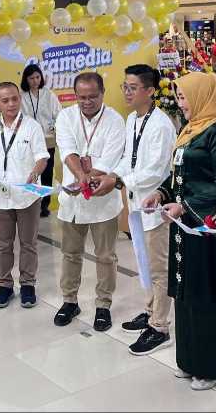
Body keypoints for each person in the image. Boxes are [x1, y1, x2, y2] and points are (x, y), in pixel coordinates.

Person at [142, 71, 216, 391]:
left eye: (184, 96)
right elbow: (180, 177)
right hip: (184, 227)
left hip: (208, 227)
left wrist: (185, 207)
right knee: (184, 291)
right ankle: (188, 359)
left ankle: (212, 366)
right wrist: (163, 194)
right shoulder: (190, 129)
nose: (181, 102)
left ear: (202, 95)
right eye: (179, 96)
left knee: (207, 292)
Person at [92, 65, 177, 356]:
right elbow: (128, 158)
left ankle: (160, 326)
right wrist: (112, 175)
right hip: (136, 201)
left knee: (159, 267)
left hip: (155, 204)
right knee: (144, 261)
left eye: (132, 87)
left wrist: (118, 180)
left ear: (150, 91)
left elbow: (155, 171)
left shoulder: (162, 125)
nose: (126, 92)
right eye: (124, 86)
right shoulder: (132, 119)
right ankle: (151, 309)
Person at [53, 72, 125, 332]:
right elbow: (67, 150)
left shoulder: (116, 121)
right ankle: (70, 301)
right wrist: (81, 176)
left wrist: (89, 177)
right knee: (70, 253)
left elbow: (110, 159)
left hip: (103, 201)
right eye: (81, 97)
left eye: (92, 96)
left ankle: (103, 304)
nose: (86, 102)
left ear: (102, 93)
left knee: (105, 256)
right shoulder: (66, 116)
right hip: (73, 198)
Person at [0, 82, 49, 308]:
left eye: (14, 99)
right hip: (1, 195)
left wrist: (35, 172)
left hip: (27, 195)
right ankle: (4, 285)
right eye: (5, 100)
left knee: (28, 243)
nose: (11, 104)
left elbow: (42, 157)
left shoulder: (32, 127)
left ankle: (28, 284)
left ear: (20, 99)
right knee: (3, 244)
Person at [20, 64, 62, 217]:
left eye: (37, 77)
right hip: (29, 140)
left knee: (47, 172)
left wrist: (54, 126)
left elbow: (59, 114)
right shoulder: (22, 96)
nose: (35, 81)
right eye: (31, 78)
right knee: (32, 170)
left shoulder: (49, 94)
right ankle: (33, 201)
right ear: (26, 79)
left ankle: (45, 204)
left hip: (48, 140)